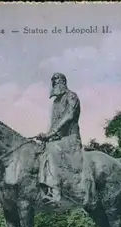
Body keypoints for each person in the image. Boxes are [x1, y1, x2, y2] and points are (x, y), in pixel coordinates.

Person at [36, 73, 83, 205]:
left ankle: (56, 192)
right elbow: (54, 124)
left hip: (71, 139)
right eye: (53, 82)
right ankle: (45, 190)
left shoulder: (71, 96)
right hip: (57, 140)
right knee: (40, 151)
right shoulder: (55, 103)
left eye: (57, 81)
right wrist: (46, 137)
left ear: (63, 82)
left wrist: (51, 134)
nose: (54, 84)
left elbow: (68, 116)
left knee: (50, 152)